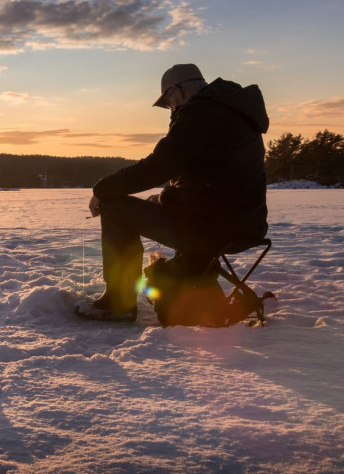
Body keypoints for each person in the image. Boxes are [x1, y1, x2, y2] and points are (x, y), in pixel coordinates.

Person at [87, 63, 269, 321]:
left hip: (211, 227)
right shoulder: (232, 111)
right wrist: (165, 198)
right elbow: (211, 179)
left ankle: (118, 303)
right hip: (245, 225)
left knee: (115, 207)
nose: (170, 108)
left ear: (177, 91)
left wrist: (102, 189)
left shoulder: (201, 113)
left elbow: (158, 167)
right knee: (161, 208)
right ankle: (194, 296)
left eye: (168, 101)